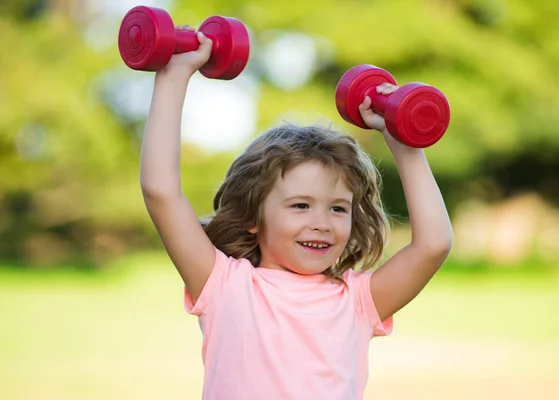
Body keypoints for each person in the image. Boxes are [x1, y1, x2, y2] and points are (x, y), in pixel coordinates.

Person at [140, 27, 453, 400]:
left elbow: (433, 244)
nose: (321, 223)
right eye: (300, 205)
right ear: (253, 216)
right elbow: (161, 192)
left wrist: (403, 142)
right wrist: (174, 76)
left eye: (338, 208)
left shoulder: (356, 300)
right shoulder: (226, 286)